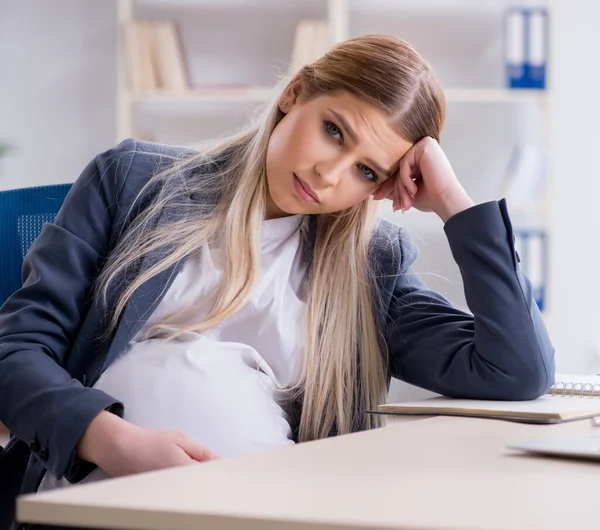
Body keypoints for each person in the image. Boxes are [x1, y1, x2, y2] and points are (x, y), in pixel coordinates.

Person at [0, 34, 554, 528]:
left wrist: (456, 205)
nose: (329, 175)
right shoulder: (133, 181)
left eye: (367, 171)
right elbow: (16, 349)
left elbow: (516, 370)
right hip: (90, 501)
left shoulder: (370, 268)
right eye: (333, 131)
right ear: (294, 93)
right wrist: (110, 440)